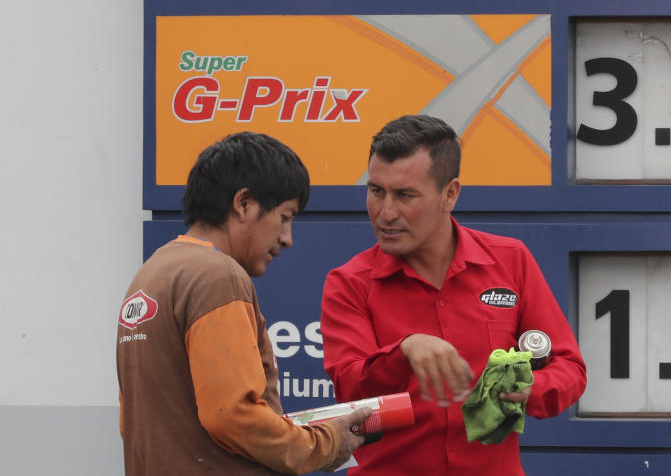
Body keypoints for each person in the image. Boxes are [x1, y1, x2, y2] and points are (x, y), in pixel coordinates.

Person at [320, 115, 587, 475]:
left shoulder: (510, 260)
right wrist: (405, 351)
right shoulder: (349, 282)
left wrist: (530, 388)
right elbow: (351, 393)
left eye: (404, 195)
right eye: (376, 191)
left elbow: (569, 369)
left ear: (450, 194)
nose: (385, 212)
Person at [116, 132, 370, 475]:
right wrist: (325, 443)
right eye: (285, 217)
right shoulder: (217, 275)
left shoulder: (150, 276)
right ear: (244, 203)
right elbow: (233, 416)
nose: (287, 238)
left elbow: (132, 422)